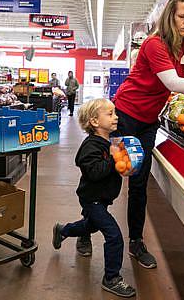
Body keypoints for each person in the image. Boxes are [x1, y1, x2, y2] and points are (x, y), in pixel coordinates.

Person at [77, 0, 184, 269]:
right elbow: (172, 82)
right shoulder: (155, 45)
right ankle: (85, 230)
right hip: (127, 116)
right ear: (170, 15)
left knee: (139, 182)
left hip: (147, 123)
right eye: (182, 16)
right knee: (110, 179)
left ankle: (135, 241)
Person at [52, 98, 136, 298]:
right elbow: (95, 173)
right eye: (110, 114)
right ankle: (112, 278)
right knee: (114, 236)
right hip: (92, 199)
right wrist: (115, 159)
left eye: (115, 112)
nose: (115, 117)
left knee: (90, 226)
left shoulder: (108, 142)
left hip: (103, 198)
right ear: (95, 122)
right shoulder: (90, 147)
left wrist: (125, 161)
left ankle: (63, 230)